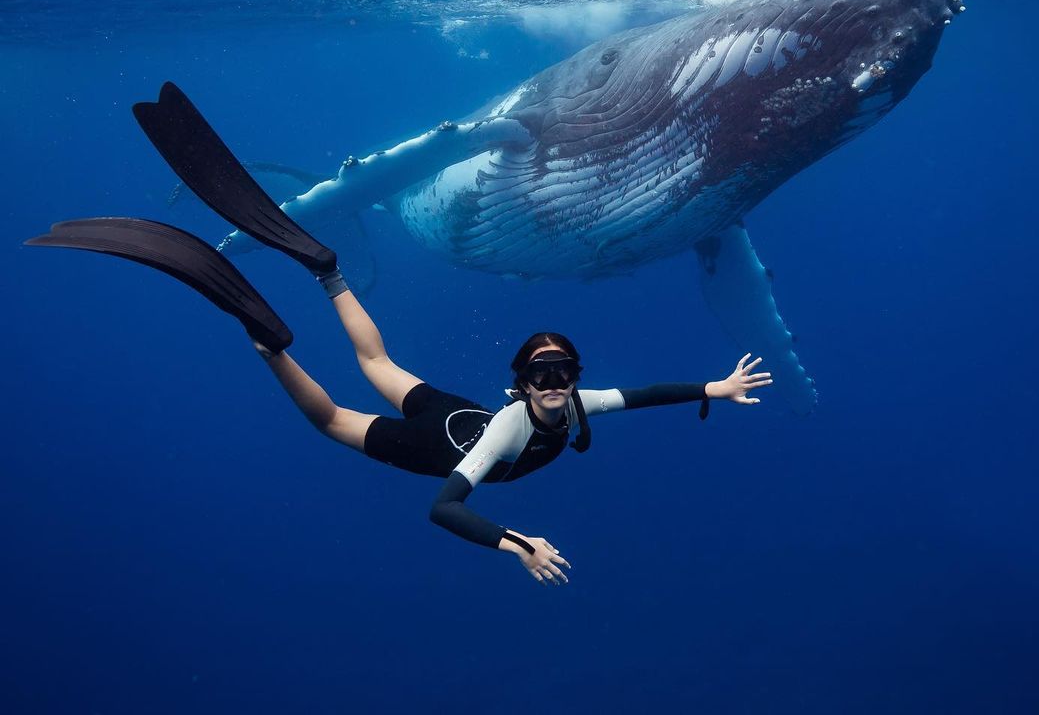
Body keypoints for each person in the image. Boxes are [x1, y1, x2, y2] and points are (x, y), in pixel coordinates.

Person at [27, 83, 772, 585]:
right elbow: (444, 507)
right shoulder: (512, 430)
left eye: (563, 373)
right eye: (543, 376)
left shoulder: (577, 404)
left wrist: (715, 386)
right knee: (327, 419)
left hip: (447, 405)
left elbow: (642, 395)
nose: (556, 386)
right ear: (521, 386)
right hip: (444, 441)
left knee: (377, 358)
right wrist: (516, 545)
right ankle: (270, 344)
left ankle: (324, 269)